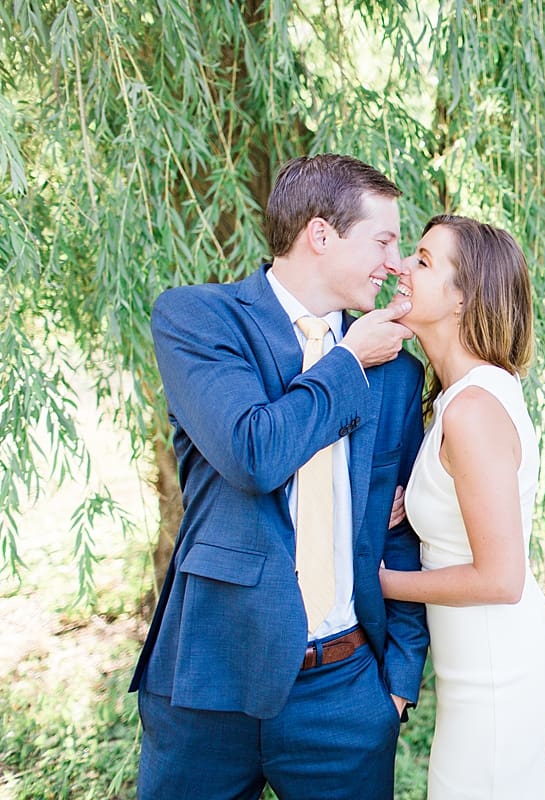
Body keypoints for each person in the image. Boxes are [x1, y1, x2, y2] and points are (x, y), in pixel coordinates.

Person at [129, 154, 430, 800]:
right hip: (208, 686)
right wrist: (347, 360)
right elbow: (253, 453)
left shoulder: (397, 374)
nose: (397, 262)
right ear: (320, 235)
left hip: (345, 693)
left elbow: (403, 533)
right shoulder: (199, 321)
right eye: (383, 239)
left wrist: (398, 686)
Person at [378, 214, 545, 799]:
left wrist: (380, 581)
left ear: (464, 300)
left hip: (497, 673)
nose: (403, 266)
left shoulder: (472, 410)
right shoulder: (463, 396)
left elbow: (501, 577)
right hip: (477, 668)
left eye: (425, 261)